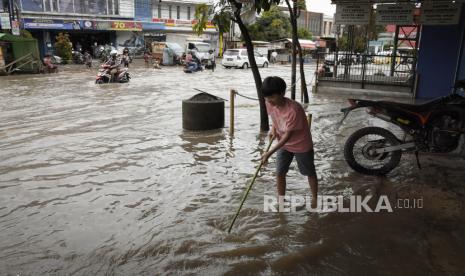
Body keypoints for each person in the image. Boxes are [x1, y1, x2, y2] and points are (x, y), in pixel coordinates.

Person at [260, 76, 318, 208]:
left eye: (272, 97)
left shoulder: (294, 109)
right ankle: (281, 201)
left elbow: (287, 136)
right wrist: (273, 129)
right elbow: (275, 117)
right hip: (283, 144)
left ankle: (315, 198)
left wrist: (269, 152)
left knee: (309, 172)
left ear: (282, 93)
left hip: (301, 145)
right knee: (280, 172)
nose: (269, 101)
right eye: (267, 98)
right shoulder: (269, 102)